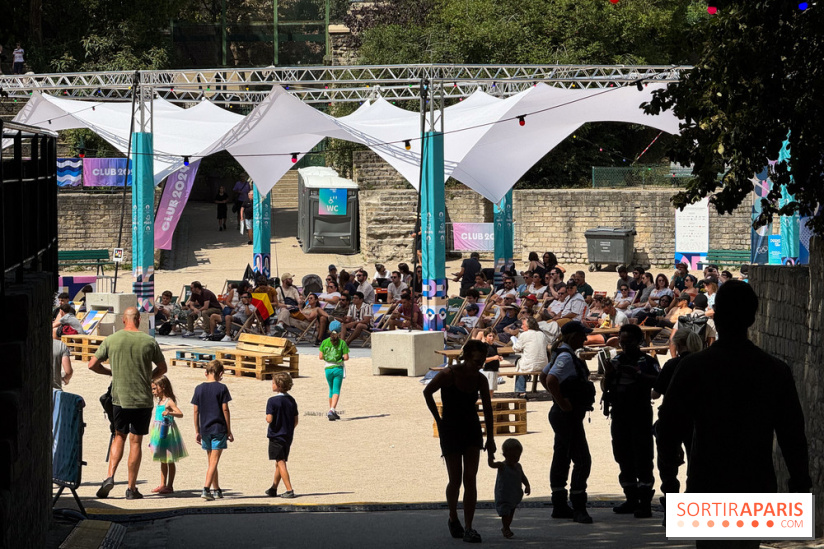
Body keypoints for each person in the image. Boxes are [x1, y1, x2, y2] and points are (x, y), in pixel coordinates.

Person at [657, 281, 812, 549]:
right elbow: (792, 435)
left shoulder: (693, 369)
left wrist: (670, 481)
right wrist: (799, 484)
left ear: (715, 313)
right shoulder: (774, 371)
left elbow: (667, 428)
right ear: (752, 317)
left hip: (707, 481)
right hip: (754, 482)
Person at [89, 307, 167, 500]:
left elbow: (92, 364)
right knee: (136, 441)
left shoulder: (112, 339)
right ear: (139, 320)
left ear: (123, 320)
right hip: (142, 399)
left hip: (119, 397)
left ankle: (109, 476)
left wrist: (110, 373)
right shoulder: (149, 341)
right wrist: (149, 377)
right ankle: (131, 488)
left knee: (119, 436)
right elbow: (163, 368)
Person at [424, 339, 496, 544]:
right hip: (451, 428)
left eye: (482, 361)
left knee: (470, 478)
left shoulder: (480, 379)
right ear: (465, 357)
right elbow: (427, 392)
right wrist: (438, 420)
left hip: (472, 428)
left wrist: (490, 438)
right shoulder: (449, 374)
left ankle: (469, 527)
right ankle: (453, 517)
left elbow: (488, 409)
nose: (479, 364)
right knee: (455, 478)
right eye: (476, 361)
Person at [539, 321, 596, 524]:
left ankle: (560, 504)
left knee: (562, 455)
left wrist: (558, 400)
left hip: (563, 415)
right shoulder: (565, 356)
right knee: (582, 459)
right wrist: (562, 402)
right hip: (566, 416)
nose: (585, 339)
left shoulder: (563, 353)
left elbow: (543, 375)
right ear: (572, 336)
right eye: (582, 335)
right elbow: (551, 379)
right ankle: (579, 506)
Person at [602, 324, 660, 518]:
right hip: (619, 413)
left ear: (639, 341)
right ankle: (631, 498)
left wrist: (638, 374)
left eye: (629, 342)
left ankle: (645, 503)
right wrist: (609, 373)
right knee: (622, 455)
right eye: (622, 342)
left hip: (640, 413)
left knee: (643, 457)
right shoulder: (616, 360)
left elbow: (658, 382)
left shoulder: (648, 361)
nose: (624, 346)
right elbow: (605, 386)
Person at [650, 329, 703, 518]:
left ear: (678, 345)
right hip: (696, 419)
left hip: (671, 419)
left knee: (668, 465)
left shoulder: (672, 364)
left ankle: (671, 505)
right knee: (695, 463)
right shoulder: (702, 364)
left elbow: (656, 393)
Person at [191, 360, 233, 501]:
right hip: (218, 427)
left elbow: (196, 411)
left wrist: (197, 430)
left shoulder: (199, 388)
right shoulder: (222, 388)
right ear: (221, 373)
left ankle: (217, 489)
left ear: (205, 373)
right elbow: (225, 409)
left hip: (205, 428)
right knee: (214, 461)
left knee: (211, 462)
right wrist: (229, 430)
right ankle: (206, 488)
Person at [148, 376, 187, 495]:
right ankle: (162, 484)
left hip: (168, 432)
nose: (153, 391)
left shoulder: (168, 401)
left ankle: (170, 485)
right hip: (158, 432)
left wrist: (169, 412)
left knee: (170, 460)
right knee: (162, 460)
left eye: (155, 388)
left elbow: (180, 414)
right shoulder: (159, 401)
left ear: (163, 387)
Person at [265, 372, 299, 498]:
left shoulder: (272, 401)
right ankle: (273, 488)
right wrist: (289, 429)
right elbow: (296, 420)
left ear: (278, 385)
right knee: (279, 462)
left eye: (273, 383)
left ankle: (289, 489)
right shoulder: (291, 400)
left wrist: (267, 418)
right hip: (288, 435)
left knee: (280, 462)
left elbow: (269, 419)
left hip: (276, 435)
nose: (272, 385)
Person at [488, 438, 531, 539]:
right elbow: (492, 465)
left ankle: (507, 527)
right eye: (512, 457)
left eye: (517, 457)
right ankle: (506, 528)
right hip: (504, 495)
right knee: (505, 513)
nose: (515, 459)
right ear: (505, 455)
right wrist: (490, 455)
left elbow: (522, 477)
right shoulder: (502, 466)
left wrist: (527, 485)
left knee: (511, 513)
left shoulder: (518, 466)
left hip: (514, 495)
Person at [512, 317, 549, 397]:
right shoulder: (542, 334)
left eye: (523, 325)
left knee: (520, 367)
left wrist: (514, 343)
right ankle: (527, 380)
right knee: (521, 361)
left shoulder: (524, 334)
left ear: (528, 326)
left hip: (530, 364)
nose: (522, 326)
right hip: (543, 364)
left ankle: (521, 391)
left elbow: (516, 348)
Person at [319, 330, 349, 421]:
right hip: (338, 367)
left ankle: (332, 410)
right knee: (336, 390)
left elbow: (320, 357)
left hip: (328, 368)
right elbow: (346, 357)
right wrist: (340, 358)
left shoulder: (324, 342)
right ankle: (332, 410)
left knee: (331, 389)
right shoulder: (342, 343)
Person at [481, 329, 503, 398]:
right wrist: (493, 358)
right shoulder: (484, 346)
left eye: (493, 336)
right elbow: (484, 360)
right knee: (488, 389)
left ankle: (489, 403)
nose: (492, 338)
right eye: (490, 336)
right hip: (488, 370)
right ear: (485, 337)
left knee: (492, 389)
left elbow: (494, 356)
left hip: (494, 369)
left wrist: (498, 358)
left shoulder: (494, 346)